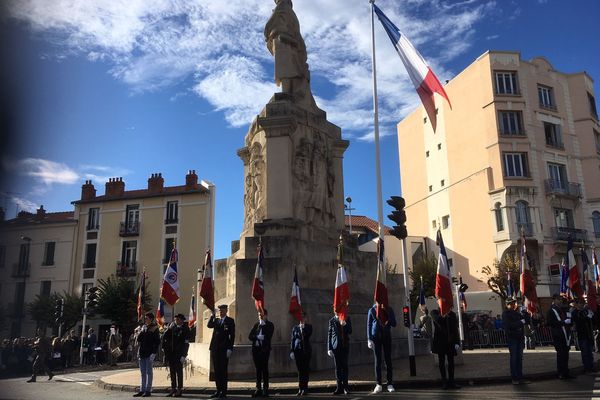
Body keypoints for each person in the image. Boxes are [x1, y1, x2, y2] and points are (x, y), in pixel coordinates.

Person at [366, 303, 397, 393]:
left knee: (388, 360)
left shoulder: (389, 309)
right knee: (377, 361)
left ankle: (390, 383)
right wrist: (369, 339)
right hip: (376, 337)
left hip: (386, 336)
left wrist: (388, 321)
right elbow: (369, 325)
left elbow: (394, 323)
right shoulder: (372, 310)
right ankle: (378, 384)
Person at [208, 304, 235, 399]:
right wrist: (212, 315)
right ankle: (218, 390)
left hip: (224, 349)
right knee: (217, 371)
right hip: (215, 349)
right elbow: (209, 325)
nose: (221, 312)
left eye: (222, 310)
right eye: (219, 311)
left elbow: (232, 336)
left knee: (223, 371)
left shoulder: (230, 321)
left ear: (226, 311)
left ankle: (224, 391)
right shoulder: (217, 320)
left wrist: (230, 348)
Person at [431, 307, 461, 389]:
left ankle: (452, 381)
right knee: (442, 362)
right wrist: (443, 314)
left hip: (450, 342)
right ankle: (444, 381)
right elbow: (437, 320)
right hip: (440, 343)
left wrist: (457, 342)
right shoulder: (435, 312)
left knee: (451, 362)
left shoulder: (452, 314)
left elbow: (455, 329)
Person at [162, 313, 190, 397]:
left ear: (182, 320)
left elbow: (186, 343)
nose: (176, 321)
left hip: (179, 354)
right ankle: (173, 388)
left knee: (179, 372)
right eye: (175, 319)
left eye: (177, 319)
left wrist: (184, 355)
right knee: (172, 372)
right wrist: (168, 329)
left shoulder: (186, 329)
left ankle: (179, 389)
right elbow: (164, 337)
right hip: (172, 353)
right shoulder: (172, 328)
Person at [133, 312, 161, 397]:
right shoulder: (143, 328)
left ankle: (148, 390)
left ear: (151, 319)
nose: (145, 320)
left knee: (149, 372)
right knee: (142, 372)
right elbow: (139, 340)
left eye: (147, 318)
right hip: (142, 352)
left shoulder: (155, 328)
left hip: (149, 353)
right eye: (145, 318)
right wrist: (142, 331)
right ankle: (142, 389)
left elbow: (157, 342)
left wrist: (154, 353)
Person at [248, 308, 275, 397]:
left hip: (264, 350)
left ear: (266, 315)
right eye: (259, 315)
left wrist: (263, 326)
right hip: (256, 350)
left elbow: (269, 336)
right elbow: (250, 336)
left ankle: (265, 388)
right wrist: (257, 337)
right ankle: (258, 388)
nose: (260, 317)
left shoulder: (270, 325)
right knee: (258, 370)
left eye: (262, 315)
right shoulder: (256, 325)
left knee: (264, 369)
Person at [547, 294, 573, 379]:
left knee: (566, 354)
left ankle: (566, 372)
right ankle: (560, 373)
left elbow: (568, 319)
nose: (560, 301)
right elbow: (551, 323)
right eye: (558, 299)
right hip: (558, 335)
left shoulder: (562, 309)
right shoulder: (551, 311)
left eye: (561, 299)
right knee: (561, 354)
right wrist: (563, 322)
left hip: (565, 335)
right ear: (554, 300)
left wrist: (569, 321)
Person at [502, 298, 527, 384]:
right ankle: (514, 378)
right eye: (510, 304)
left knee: (519, 359)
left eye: (513, 304)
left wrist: (525, 313)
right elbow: (509, 325)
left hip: (519, 337)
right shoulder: (505, 314)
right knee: (514, 358)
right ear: (507, 305)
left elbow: (525, 320)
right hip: (512, 338)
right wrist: (520, 322)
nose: (512, 305)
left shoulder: (517, 313)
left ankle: (520, 377)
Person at [327, 311, 352, 395]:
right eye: (335, 311)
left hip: (344, 346)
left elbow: (350, 331)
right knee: (337, 368)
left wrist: (345, 325)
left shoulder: (347, 318)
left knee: (344, 366)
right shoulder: (332, 320)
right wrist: (329, 348)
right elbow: (330, 334)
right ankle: (339, 387)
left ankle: (345, 387)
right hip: (335, 347)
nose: (337, 312)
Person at [290, 312, 312, 396]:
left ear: (306, 318)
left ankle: (305, 388)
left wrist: (303, 330)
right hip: (297, 351)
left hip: (306, 351)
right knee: (300, 371)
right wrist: (291, 350)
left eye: (303, 317)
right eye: (300, 317)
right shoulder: (295, 328)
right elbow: (293, 340)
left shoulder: (309, 327)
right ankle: (300, 388)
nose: (302, 319)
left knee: (305, 370)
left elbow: (307, 335)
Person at [572, 298, 596, 373]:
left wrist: (591, 315)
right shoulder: (575, 312)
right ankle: (586, 367)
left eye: (582, 303)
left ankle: (591, 366)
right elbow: (578, 321)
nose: (582, 304)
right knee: (585, 352)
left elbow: (592, 320)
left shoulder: (586, 311)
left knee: (590, 352)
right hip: (582, 335)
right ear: (576, 304)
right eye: (580, 303)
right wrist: (586, 317)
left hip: (588, 334)